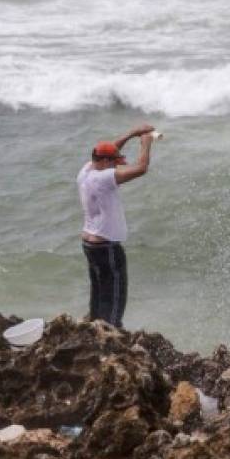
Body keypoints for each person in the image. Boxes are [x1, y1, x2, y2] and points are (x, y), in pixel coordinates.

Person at [77, 124, 155, 328]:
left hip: (90, 244)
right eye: (114, 162)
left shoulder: (86, 171)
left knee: (98, 291)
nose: (117, 166)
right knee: (114, 295)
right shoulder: (104, 178)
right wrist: (146, 144)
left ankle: (93, 326)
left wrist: (130, 134)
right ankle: (110, 334)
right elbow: (141, 168)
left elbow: (109, 148)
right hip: (106, 246)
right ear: (103, 162)